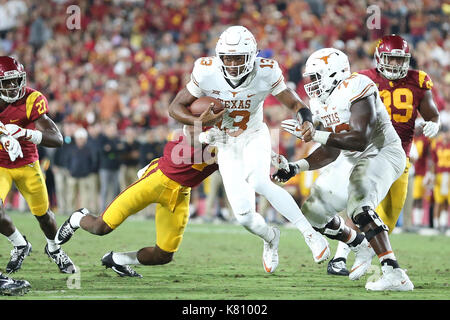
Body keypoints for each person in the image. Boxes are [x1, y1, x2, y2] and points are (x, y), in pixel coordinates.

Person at [168, 25, 330, 274]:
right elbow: (175, 108)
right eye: (227, 58)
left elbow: (293, 102)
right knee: (243, 216)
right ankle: (270, 238)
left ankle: (310, 234)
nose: (232, 64)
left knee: (259, 181)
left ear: (251, 55)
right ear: (219, 56)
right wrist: (201, 122)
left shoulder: (265, 71)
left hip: (254, 134)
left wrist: (306, 119)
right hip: (225, 143)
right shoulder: (206, 70)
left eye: (238, 58)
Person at [275, 47, 413, 291]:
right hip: (351, 158)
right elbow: (330, 151)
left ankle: (395, 273)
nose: (311, 84)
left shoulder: (357, 85)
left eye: (315, 77)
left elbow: (360, 138)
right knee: (313, 211)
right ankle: (359, 244)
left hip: (381, 152)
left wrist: (315, 134)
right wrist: (296, 167)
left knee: (359, 204)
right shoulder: (319, 101)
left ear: (333, 73)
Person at [326, 35, 440, 275]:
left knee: (388, 215)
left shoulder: (418, 81)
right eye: (391, 59)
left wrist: (433, 124)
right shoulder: (363, 79)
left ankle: (369, 254)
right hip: (368, 151)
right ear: (379, 58)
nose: (396, 65)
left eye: (400, 60)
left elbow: (432, 114)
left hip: (400, 157)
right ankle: (340, 258)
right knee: (360, 204)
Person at [54, 122, 221, 277]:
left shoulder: (235, 142)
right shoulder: (203, 124)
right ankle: (77, 218)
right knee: (101, 227)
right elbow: (182, 130)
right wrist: (204, 137)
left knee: (164, 255)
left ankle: (118, 260)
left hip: (180, 193)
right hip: (158, 179)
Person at [0, 56, 76, 274]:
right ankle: (20, 244)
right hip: (0, 164)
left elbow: (57, 138)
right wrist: (3, 137)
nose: (13, 86)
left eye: (16, 80)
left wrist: (26, 133)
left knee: (43, 215)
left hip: (27, 163)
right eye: (7, 82)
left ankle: (54, 249)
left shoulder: (32, 99)